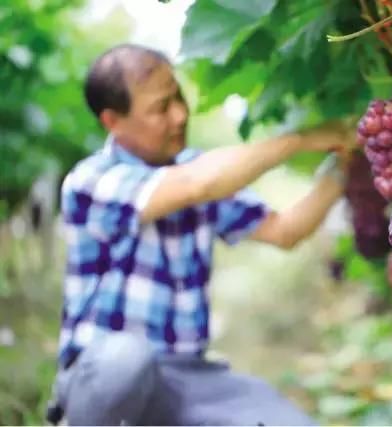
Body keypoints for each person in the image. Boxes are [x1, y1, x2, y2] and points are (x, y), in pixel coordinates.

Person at [47, 43, 353, 426]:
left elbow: (284, 230)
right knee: (127, 358)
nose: (179, 115)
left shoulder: (199, 170)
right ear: (113, 122)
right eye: (161, 108)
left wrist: (347, 164)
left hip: (187, 377)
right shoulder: (92, 180)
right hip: (104, 377)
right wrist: (300, 140)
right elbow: (195, 185)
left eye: (178, 96)